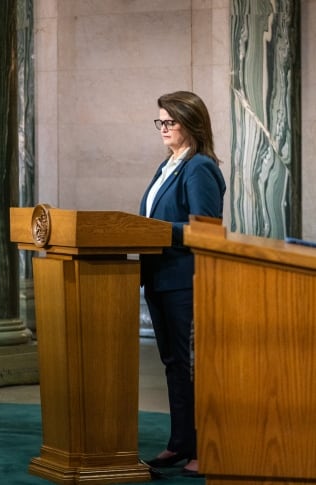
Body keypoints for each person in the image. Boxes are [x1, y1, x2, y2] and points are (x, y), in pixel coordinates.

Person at [139, 91, 225, 476]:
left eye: (170, 122)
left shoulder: (199, 167)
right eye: (160, 122)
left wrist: (153, 231)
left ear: (191, 123)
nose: (163, 129)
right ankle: (180, 443)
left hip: (186, 281)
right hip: (160, 280)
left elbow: (205, 230)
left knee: (195, 368)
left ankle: (207, 447)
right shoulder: (167, 166)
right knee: (174, 365)